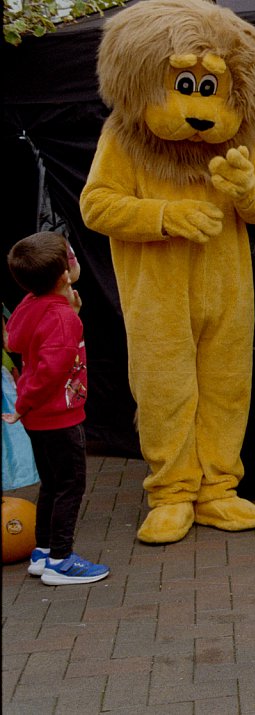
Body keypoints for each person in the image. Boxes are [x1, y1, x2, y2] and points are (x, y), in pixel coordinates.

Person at [3, 231, 109, 585]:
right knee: (71, 486)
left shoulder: (32, 303)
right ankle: (61, 560)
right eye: (72, 257)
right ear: (64, 275)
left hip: (39, 418)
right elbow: (51, 369)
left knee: (52, 484)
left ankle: (43, 551)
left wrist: (69, 310)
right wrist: (23, 402)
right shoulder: (64, 319)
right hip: (59, 418)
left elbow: (15, 338)